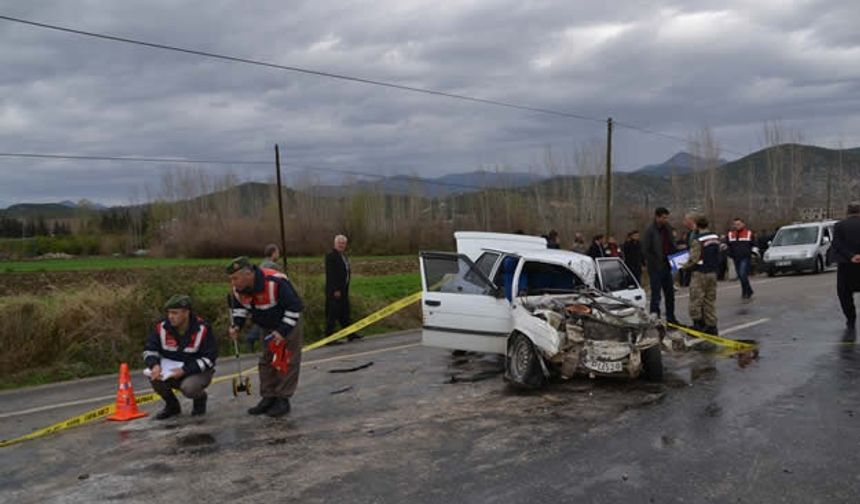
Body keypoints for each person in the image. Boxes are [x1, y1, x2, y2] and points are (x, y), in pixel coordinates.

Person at [227, 257, 303, 417]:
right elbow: (240, 309)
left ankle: (283, 398)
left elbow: (295, 307)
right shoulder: (237, 290)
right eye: (231, 279)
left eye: (236, 278)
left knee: (285, 361)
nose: (233, 283)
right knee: (266, 360)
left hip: (287, 321)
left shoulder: (276, 282)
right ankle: (268, 396)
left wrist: (282, 332)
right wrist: (237, 325)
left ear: (248, 274)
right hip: (265, 324)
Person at [143, 295, 217, 420]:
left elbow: (209, 358)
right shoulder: (161, 327)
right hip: (169, 369)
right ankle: (172, 407)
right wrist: (154, 365)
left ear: (186, 312)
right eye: (169, 313)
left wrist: (185, 370)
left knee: (189, 388)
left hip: (196, 371)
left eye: (175, 313)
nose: (170, 316)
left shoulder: (203, 329)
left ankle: (200, 400)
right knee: (154, 376)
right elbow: (149, 350)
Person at [681, 217, 721, 334]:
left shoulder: (697, 239)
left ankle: (698, 325)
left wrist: (683, 267)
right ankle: (712, 326)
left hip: (700, 273)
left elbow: (694, 258)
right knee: (709, 300)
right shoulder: (715, 237)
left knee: (696, 299)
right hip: (712, 272)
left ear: (697, 226)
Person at [642, 207, 679, 324]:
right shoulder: (650, 231)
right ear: (657, 217)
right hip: (656, 266)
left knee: (670, 293)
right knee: (656, 293)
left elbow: (672, 244)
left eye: (666, 217)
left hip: (668, 264)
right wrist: (653, 261)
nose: (665, 220)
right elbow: (645, 249)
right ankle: (655, 317)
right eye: (663, 217)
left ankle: (671, 317)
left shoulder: (667, 228)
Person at [325, 235, 361, 341]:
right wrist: (335, 289)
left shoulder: (343, 256)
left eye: (343, 243)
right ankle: (329, 337)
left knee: (345, 313)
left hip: (344, 290)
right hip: (334, 291)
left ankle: (350, 334)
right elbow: (331, 274)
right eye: (339, 243)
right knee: (332, 313)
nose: (341, 245)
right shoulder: (331, 256)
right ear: (335, 243)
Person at [832, 203, 860, 330]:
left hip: (847, 266)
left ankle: (851, 319)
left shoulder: (839, 226)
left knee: (844, 293)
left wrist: (851, 256)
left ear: (847, 213)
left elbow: (837, 244)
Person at [727, 217, 755, 299]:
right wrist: (728, 253)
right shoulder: (730, 234)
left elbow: (754, 244)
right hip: (735, 257)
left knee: (743, 274)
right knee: (741, 275)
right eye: (735, 224)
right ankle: (747, 290)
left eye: (738, 224)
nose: (737, 226)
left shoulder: (749, 233)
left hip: (745, 257)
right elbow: (728, 245)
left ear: (743, 224)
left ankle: (746, 291)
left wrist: (753, 254)